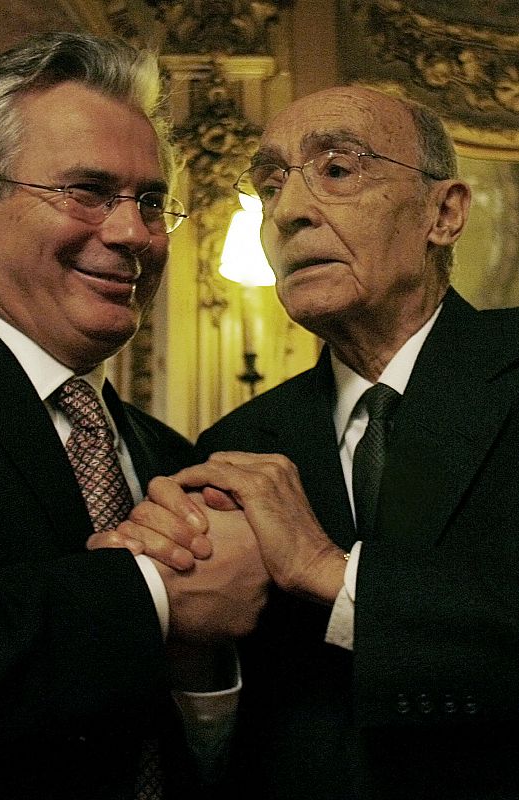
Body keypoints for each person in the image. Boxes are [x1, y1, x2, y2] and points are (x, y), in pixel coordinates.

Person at [0, 31, 269, 799]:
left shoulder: (168, 457)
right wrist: (153, 593)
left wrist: (200, 662)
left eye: (151, 202)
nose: (131, 234)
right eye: (86, 192)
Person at [107, 86, 519, 799]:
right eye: (268, 187)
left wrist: (331, 571)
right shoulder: (234, 445)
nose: (288, 212)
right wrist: (190, 649)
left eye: (336, 169)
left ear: (442, 212)